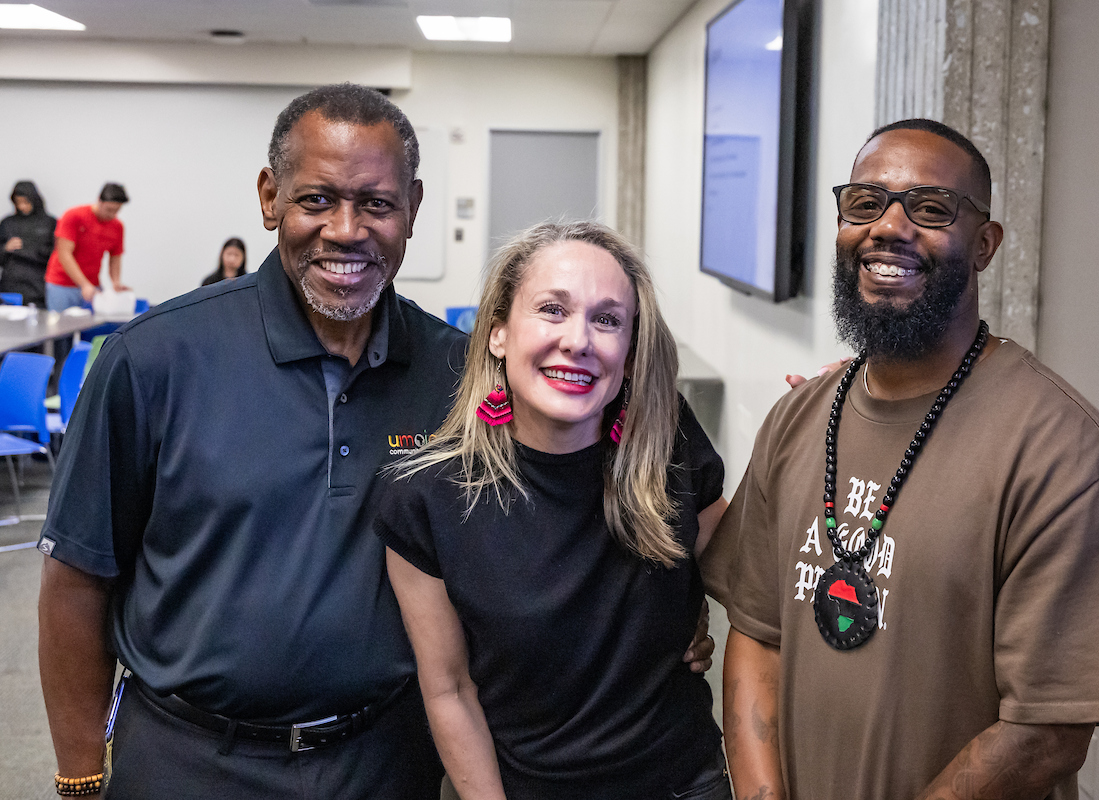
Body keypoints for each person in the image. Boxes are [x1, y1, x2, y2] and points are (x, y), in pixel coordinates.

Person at [37, 83, 711, 800]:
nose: (346, 229)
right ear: (270, 198)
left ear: (412, 210)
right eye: (317, 199)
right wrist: (81, 775)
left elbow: (572, 494)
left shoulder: (466, 372)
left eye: (378, 204)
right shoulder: (152, 360)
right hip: (190, 759)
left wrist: (678, 604)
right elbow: (78, 580)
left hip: (389, 758)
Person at [701, 118, 1099, 800]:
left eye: (932, 209)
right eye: (864, 203)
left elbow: (1047, 733)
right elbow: (757, 634)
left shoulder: (1061, 453)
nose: (888, 227)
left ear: (985, 244)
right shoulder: (798, 419)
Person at [377, 220, 732, 800]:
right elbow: (450, 690)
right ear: (497, 333)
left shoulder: (669, 452)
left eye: (608, 319)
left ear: (631, 347)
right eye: (552, 309)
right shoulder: (425, 494)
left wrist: (832, 421)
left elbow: (756, 588)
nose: (579, 340)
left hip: (682, 785)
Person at [44, 182, 130, 311]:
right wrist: (84, 284)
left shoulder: (117, 226)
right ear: (99, 201)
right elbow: (64, 254)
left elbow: (115, 257)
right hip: (62, 284)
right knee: (61, 328)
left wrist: (115, 282)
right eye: (109, 210)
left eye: (116, 211)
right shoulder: (74, 216)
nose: (111, 215)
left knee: (90, 327)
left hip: (92, 285)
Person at [0, 181, 56, 307]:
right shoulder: (7, 223)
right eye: (18, 202)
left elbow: (55, 255)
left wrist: (30, 250)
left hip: (38, 286)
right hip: (11, 286)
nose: (22, 207)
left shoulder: (49, 223)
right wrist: (5, 248)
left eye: (25, 202)